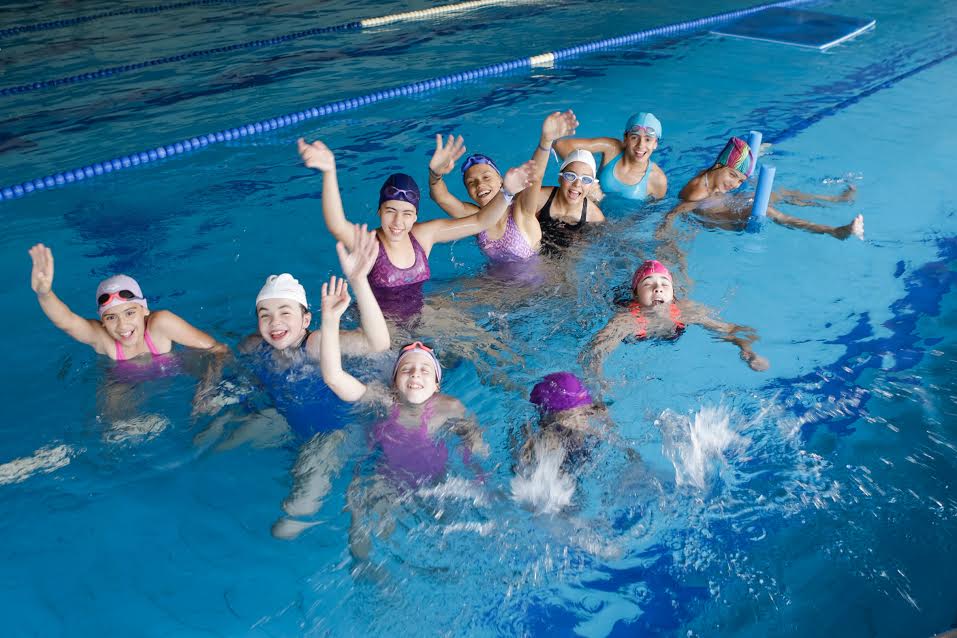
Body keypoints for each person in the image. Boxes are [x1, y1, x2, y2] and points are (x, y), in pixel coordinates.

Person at [319, 288, 489, 560]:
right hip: (385, 480)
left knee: (454, 533)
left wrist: (475, 441)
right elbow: (334, 378)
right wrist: (330, 320)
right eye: (407, 369)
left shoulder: (449, 406)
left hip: (437, 480)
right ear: (394, 381)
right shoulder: (383, 399)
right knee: (364, 524)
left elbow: (469, 427)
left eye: (424, 370)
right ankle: (366, 566)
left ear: (436, 385)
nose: (415, 375)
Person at [297, 137, 533, 317]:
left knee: (486, 346)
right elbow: (337, 225)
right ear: (379, 212)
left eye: (407, 214)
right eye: (390, 211)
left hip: (420, 314)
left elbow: (481, 221)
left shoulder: (423, 235)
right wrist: (329, 171)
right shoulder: (370, 242)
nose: (398, 223)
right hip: (380, 323)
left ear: (415, 217)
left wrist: (507, 192)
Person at [28, 243, 227, 419]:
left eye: (130, 313)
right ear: (102, 321)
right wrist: (44, 294)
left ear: (144, 310)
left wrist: (208, 388)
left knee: (209, 381)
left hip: (174, 366)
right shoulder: (103, 339)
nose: (122, 325)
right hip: (124, 380)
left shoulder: (161, 324)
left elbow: (218, 349)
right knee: (113, 426)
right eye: (111, 317)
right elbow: (67, 322)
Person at [427, 110, 580, 262]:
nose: (480, 184)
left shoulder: (521, 209)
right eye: (471, 182)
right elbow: (441, 198)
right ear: (468, 192)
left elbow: (535, 177)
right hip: (492, 277)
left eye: (486, 177)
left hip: (536, 277)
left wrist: (545, 142)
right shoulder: (476, 218)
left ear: (501, 181)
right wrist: (435, 174)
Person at [584, 260, 770, 375]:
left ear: (673, 294)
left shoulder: (685, 311)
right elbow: (595, 352)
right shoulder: (626, 321)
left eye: (664, 284)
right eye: (648, 284)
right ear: (636, 295)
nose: (658, 288)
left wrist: (749, 351)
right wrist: (599, 379)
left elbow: (732, 330)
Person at [660, 136, 863, 240]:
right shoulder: (697, 190)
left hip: (732, 204)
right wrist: (664, 229)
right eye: (732, 175)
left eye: (739, 180)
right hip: (729, 219)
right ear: (718, 165)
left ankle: (835, 200)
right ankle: (834, 231)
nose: (734, 184)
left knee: (780, 193)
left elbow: (733, 167)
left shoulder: (712, 175)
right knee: (774, 213)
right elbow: (677, 210)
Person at [554, 111, 667, 200]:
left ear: (655, 144)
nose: (641, 145)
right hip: (590, 213)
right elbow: (560, 145)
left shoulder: (658, 179)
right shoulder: (612, 148)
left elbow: (654, 212)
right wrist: (588, 180)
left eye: (648, 139)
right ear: (625, 138)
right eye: (634, 137)